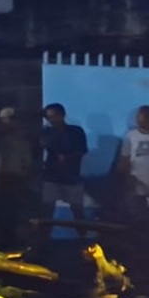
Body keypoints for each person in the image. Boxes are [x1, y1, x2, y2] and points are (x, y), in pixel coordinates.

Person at [39, 103, 89, 245]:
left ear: (62, 115)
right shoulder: (47, 132)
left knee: (77, 210)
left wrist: (68, 156)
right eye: (49, 117)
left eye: (53, 116)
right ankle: (43, 242)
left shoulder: (75, 131)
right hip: (52, 176)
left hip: (72, 176)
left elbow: (82, 150)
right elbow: (43, 144)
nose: (51, 120)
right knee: (47, 211)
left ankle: (85, 241)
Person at [0, 107, 34, 249]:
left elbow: (26, 162)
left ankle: (10, 242)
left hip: (13, 179)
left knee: (11, 212)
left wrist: (22, 178)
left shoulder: (21, 140)